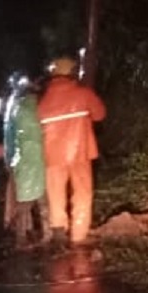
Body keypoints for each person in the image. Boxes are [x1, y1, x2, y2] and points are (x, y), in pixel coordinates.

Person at [37, 55, 106, 250]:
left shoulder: (43, 101)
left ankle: (59, 229)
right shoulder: (83, 94)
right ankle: (78, 235)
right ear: (73, 73)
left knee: (55, 193)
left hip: (52, 155)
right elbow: (100, 114)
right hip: (80, 152)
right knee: (82, 193)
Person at [2, 71, 51, 250]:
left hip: (22, 160)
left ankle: (22, 237)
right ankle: (46, 234)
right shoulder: (41, 106)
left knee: (24, 201)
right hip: (39, 159)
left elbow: (10, 134)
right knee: (42, 199)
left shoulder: (15, 107)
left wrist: (9, 159)